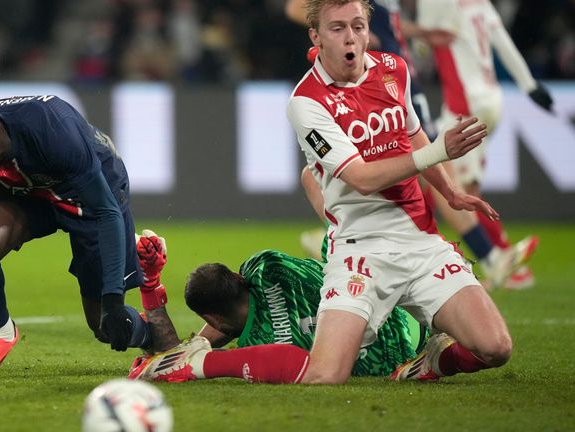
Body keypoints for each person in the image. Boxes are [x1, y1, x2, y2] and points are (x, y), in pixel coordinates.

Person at [133, 0, 512, 385]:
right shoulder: (307, 102)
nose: (351, 37)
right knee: (326, 373)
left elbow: (413, 135)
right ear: (316, 36)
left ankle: (435, 360)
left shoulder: (393, 69)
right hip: (360, 250)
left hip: (419, 241)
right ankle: (196, 364)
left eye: (358, 26)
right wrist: (440, 151)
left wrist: (450, 191)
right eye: (338, 28)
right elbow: (362, 178)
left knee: (496, 347)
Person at [289, 0, 535, 291]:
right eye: (338, 27)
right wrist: (347, 32)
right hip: (363, 81)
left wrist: (419, 33)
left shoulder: (392, 56)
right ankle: (486, 255)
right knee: (329, 173)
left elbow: (390, 24)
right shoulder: (309, 94)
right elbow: (295, 8)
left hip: (390, 77)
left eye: (357, 25)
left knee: (420, 168)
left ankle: (474, 253)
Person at [0, 94, 157, 382]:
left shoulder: (52, 132)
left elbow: (106, 211)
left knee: (104, 326)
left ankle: (155, 332)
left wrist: (113, 301)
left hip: (89, 197)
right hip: (30, 192)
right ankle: (1, 333)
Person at [129, 230, 427, 383]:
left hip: (400, 356)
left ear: (213, 318)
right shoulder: (266, 264)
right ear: (238, 277)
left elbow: (184, 353)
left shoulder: (257, 347)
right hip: (403, 306)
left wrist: (150, 283)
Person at [416, 0, 554, 289]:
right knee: (455, 182)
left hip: (464, 105)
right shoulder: (481, 4)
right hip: (491, 99)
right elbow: (504, 45)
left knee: (445, 181)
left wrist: (419, 40)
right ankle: (497, 258)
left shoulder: (436, 3)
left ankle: (502, 260)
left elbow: (421, 47)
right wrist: (529, 85)